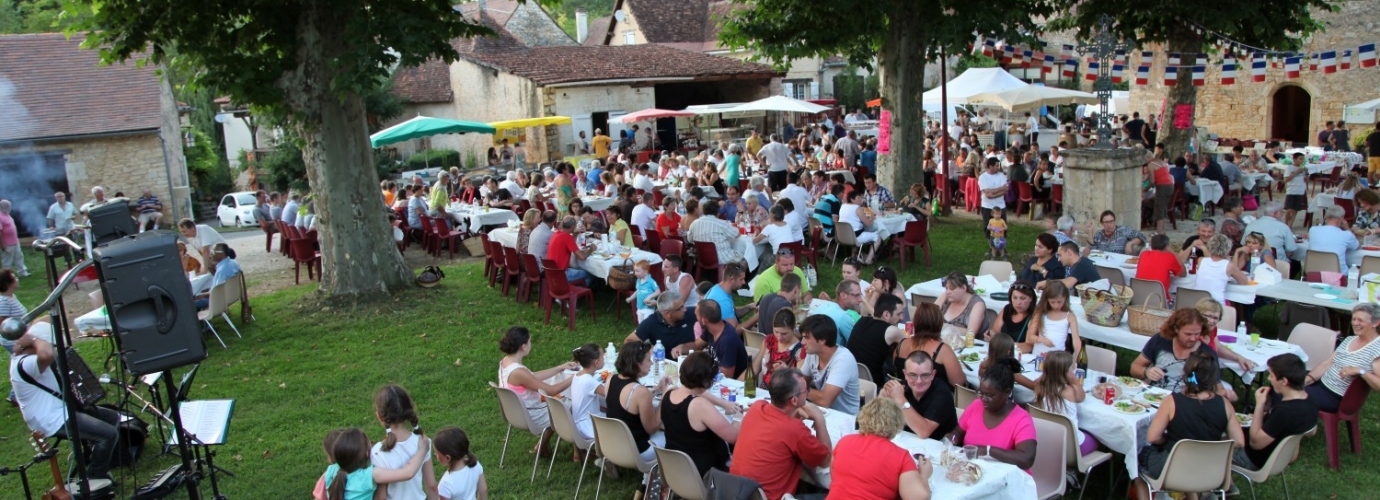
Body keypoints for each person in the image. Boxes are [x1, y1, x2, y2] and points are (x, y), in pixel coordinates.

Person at [1134, 350, 1245, 500]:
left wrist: (1167, 440)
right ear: (1213, 377)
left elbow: (1153, 437)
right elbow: (1239, 442)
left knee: (1137, 466)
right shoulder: (1225, 404)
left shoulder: (1172, 401)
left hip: (1174, 470)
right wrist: (1213, 444)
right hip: (1211, 470)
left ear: (1185, 374)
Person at [730, 367, 832, 500]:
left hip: (735, 492)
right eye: (805, 390)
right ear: (794, 401)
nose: (808, 392)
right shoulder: (795, 429)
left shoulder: (757, 407)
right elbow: (825, 461)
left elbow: (778, 430)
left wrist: (793, 415)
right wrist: (820, 419)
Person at [828, 398, 935, 500]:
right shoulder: (900, 456)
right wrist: (924, 475)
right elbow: (919, 498)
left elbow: (834, 476)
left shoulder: (844, 441)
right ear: (897, 424)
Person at [497, 327, 578, 455]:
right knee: (572, 404)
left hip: (515, 412)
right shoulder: (518, 372)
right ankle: (579, 452)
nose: (531, 344)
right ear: (524, 346)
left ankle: (542, 446)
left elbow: (531, 377)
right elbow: (551, 391)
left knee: (559, 402)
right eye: (530, 341)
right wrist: (575, 378)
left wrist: (560, 368)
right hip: (532, 416)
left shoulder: (506, 362)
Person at [1228, 353, 1316, 472]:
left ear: (1284, 381)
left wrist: (1259, 405)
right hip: (1280, 460)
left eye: (1271, 375)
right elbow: (1312, 431)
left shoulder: (1283, 412)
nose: (1269, 379)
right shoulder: (1310, 401)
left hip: (1251, 459)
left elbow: (1255, 443)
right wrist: (1267, 418)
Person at [949, 357, 1038, 472]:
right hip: (972, 472)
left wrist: (988, 451)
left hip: (1007, 477)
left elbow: (1027, 459)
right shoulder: (977, 405)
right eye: (981, 393)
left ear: (1007, 393)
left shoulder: (1021, 419)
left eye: (990, 395)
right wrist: (953, 439)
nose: (984, 399)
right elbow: (958, 432)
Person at [661, 350, 741, 475]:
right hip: (706, 472)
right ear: (706, 381)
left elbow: (696, 391)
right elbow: (734, 438)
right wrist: (739, 417)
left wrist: (724, 404)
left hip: (675, 468)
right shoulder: (700, 405)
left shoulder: (668, 393)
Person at [1131, 309, 1235, 400]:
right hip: (1152, 398)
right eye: (1188, 334)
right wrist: (1146, 372)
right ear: (1176, 329)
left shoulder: (1207, 353)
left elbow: (1217, 388)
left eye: (1197, 334)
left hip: (1185, 404)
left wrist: (1226, 394)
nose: (1193, 338)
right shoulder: (1160, 340)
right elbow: (1135, 367)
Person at [1302, 302, 1380, 412]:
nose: (1355, 323)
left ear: (1375, 323)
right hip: (1320, 386)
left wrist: (1360, 371)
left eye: (1360, 320)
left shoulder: (1377, 349)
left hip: (1336, 397)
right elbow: (1326, 364)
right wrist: (1307, 380)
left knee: (1285, 394)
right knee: (1283, 384)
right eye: (1354, 319)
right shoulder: (1350, 339)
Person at [321, 428, 431, 500]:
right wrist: (423, 450)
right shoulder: (369, 475)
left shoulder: (331, 471)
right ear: (367, 453)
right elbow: (408, 473)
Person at [607, 342, 672, 463]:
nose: (652, 363)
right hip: (638, 451)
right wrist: (665, 397)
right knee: (675, 437)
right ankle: (663, 471)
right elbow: (652, 428)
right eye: (648, 360)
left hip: (614, 445)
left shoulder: (611, 379)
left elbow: (633, 400)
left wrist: (658, 389)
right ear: (638, 364)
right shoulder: (640, 392)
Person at [371, 384, 437, 499]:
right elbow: (431, 486)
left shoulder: (377, 452)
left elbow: (381, 496)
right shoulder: (423, 442)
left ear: (380, 416)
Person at [1032, 351, 1100, 456]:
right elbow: (1081, 397)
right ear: (1067, 372)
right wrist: (1073, 379)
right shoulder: (1069, 391)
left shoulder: (1039, 386)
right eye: (1071, 368)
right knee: (1097, 438)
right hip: (1072, 449)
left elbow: (1041, 380)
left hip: (1047, 441)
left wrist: (1048, 372)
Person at [799, 315, 862, 414]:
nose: (802, 342)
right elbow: (801, 382)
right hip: (822, 412)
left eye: (807, 337)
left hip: (845, 417)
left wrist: (796, 389)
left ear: (822, 340)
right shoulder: (813, 353)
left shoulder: (843, 359)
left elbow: (825, 401)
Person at [674, 300, 749, 378]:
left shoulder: (727, 341)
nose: (696, 319)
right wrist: (682, 347)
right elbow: (697, 345)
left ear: (703, 320)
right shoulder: (712, 329)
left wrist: (701, 369)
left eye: (696, 316)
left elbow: (727, 375)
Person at [849, 293, 908, 385]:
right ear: (886, 314)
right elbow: (910, 344)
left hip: (852, 378)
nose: (902, 317)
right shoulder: (891, 331)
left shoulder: (861, 321)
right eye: (899, 314)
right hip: (875, 383)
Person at [1023, 280, 1083, 359]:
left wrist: (1078, 358)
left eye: (1059, 302)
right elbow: (1029, 337)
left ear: (1065, 298)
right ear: (1047, 300)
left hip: (1057, 359)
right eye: (1052, 302)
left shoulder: (1070, 316)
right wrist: (1042, 340)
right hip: (1038, 356)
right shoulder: (1041, 313)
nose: (1056, 305)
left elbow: (1076, 341)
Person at [751, 309, 805, 388]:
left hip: (785, 392)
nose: (779, 337)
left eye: (784, 334)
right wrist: (737, 384)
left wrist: (787, 372)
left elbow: (800, 383)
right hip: (764, 390)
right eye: (776, 332)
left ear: (793, 329)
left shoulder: (800, 350)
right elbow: (755, 368)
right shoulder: (769, 341)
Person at [566, 344, 607, 447]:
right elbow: (611, 394)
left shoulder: (578, 375)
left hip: (578, 423)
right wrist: (611, 378)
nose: (604, 358)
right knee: (622, 424)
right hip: (587, 426)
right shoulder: (589, 381)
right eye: (603, 357)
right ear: (596, 362)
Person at [433, 427, 488, 500]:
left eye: (436, 452)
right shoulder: (475, 464)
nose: (435, 454)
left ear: (447, 458)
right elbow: (483, 490)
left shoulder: (445, 484)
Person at [688, 200, 747, 268]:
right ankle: (742, 274)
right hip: (722, 258)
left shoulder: (694, 223)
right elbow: (737, 234)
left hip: (702, 258)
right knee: (743, 254)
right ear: (718, 212)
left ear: (704, 211)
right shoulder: (721, 224)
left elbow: (690, 239)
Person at [1195, 234, 1249, 304]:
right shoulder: (1229, 265)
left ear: (1209, 247)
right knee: (1231, 304)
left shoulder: (1201, 260)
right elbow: (1244, 282)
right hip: (1216, 303)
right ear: (1228, 250)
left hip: (1199, 301)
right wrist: (1228, 259)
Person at [936, 271, 988, 339]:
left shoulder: (977, 304)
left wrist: (946, 328)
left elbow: (971, 333)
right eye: (946, 288)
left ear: (963, 288)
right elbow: (929, 317)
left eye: (952, 288)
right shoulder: (946, 297)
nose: (947, 292)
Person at [545, 216, 596, 284]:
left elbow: (569, 243)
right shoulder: (567, 237)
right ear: (573, 226)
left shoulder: (556, 233)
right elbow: (582, 257)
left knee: (579, 269)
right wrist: (591, 250)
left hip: (552, 272)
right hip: (562, 274)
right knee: (590, 274)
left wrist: (575, 234)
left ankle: (575, 286)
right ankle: (578, 289)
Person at [1307, 205, 1360, 271]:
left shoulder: (1313, 230)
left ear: (1325, 217)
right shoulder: (1347, 234)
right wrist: (1347, 228)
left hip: (1313, 272)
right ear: (1342, 218)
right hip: (1338, 274)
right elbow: (1357, 246)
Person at [809, 279, 861, 344]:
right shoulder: (843, 317)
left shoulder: (822, 306)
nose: (860, 299)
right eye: (856, 295)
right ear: (843, 295)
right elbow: (857, 344)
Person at [193, 243, 242, 310]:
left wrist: (203, 295)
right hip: (233, 295)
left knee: (188, 304)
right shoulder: (234, 263)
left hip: (218, 300)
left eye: (213, 252)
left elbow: (217, 292)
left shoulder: (222, 270)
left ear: (222, 254)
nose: (211, 254)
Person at [978, 157, 1009, 241]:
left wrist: (992, 194)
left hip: (1000, 205)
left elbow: (1005, 190)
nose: (998, 167)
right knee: (989, 228)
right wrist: (1001, 189)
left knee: (1002, 227)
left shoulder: (1001, 175)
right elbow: (987, 192)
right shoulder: (983, 177)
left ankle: (1002, 245)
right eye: (996, 166)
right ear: (990, 166)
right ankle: (992, 246)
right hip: (987, 206)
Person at [0, 200, 29, 276]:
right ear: (2, 207)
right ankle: (7, 275)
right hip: (7, 243)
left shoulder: (7, 215)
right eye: (7, 206)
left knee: (19, 256)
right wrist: (2, 245)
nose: (9, 208)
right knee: (7, 260)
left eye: (9, 206)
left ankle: (22, 271)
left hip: (15, 241)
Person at [1282, 152, 1309, 227]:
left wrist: (1306, 172)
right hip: (1291, 190)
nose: (1302, 161)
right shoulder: (1289, 168)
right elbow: (1286, 180)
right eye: (1300, 159)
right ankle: (1286, 223)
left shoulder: (1303, 168)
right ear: (1294, 159)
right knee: (1288, 209)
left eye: (1303, 159)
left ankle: (1290, 225)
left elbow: (1307, 181)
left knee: (1295, 210)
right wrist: (1297, 172)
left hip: (1300, 191)